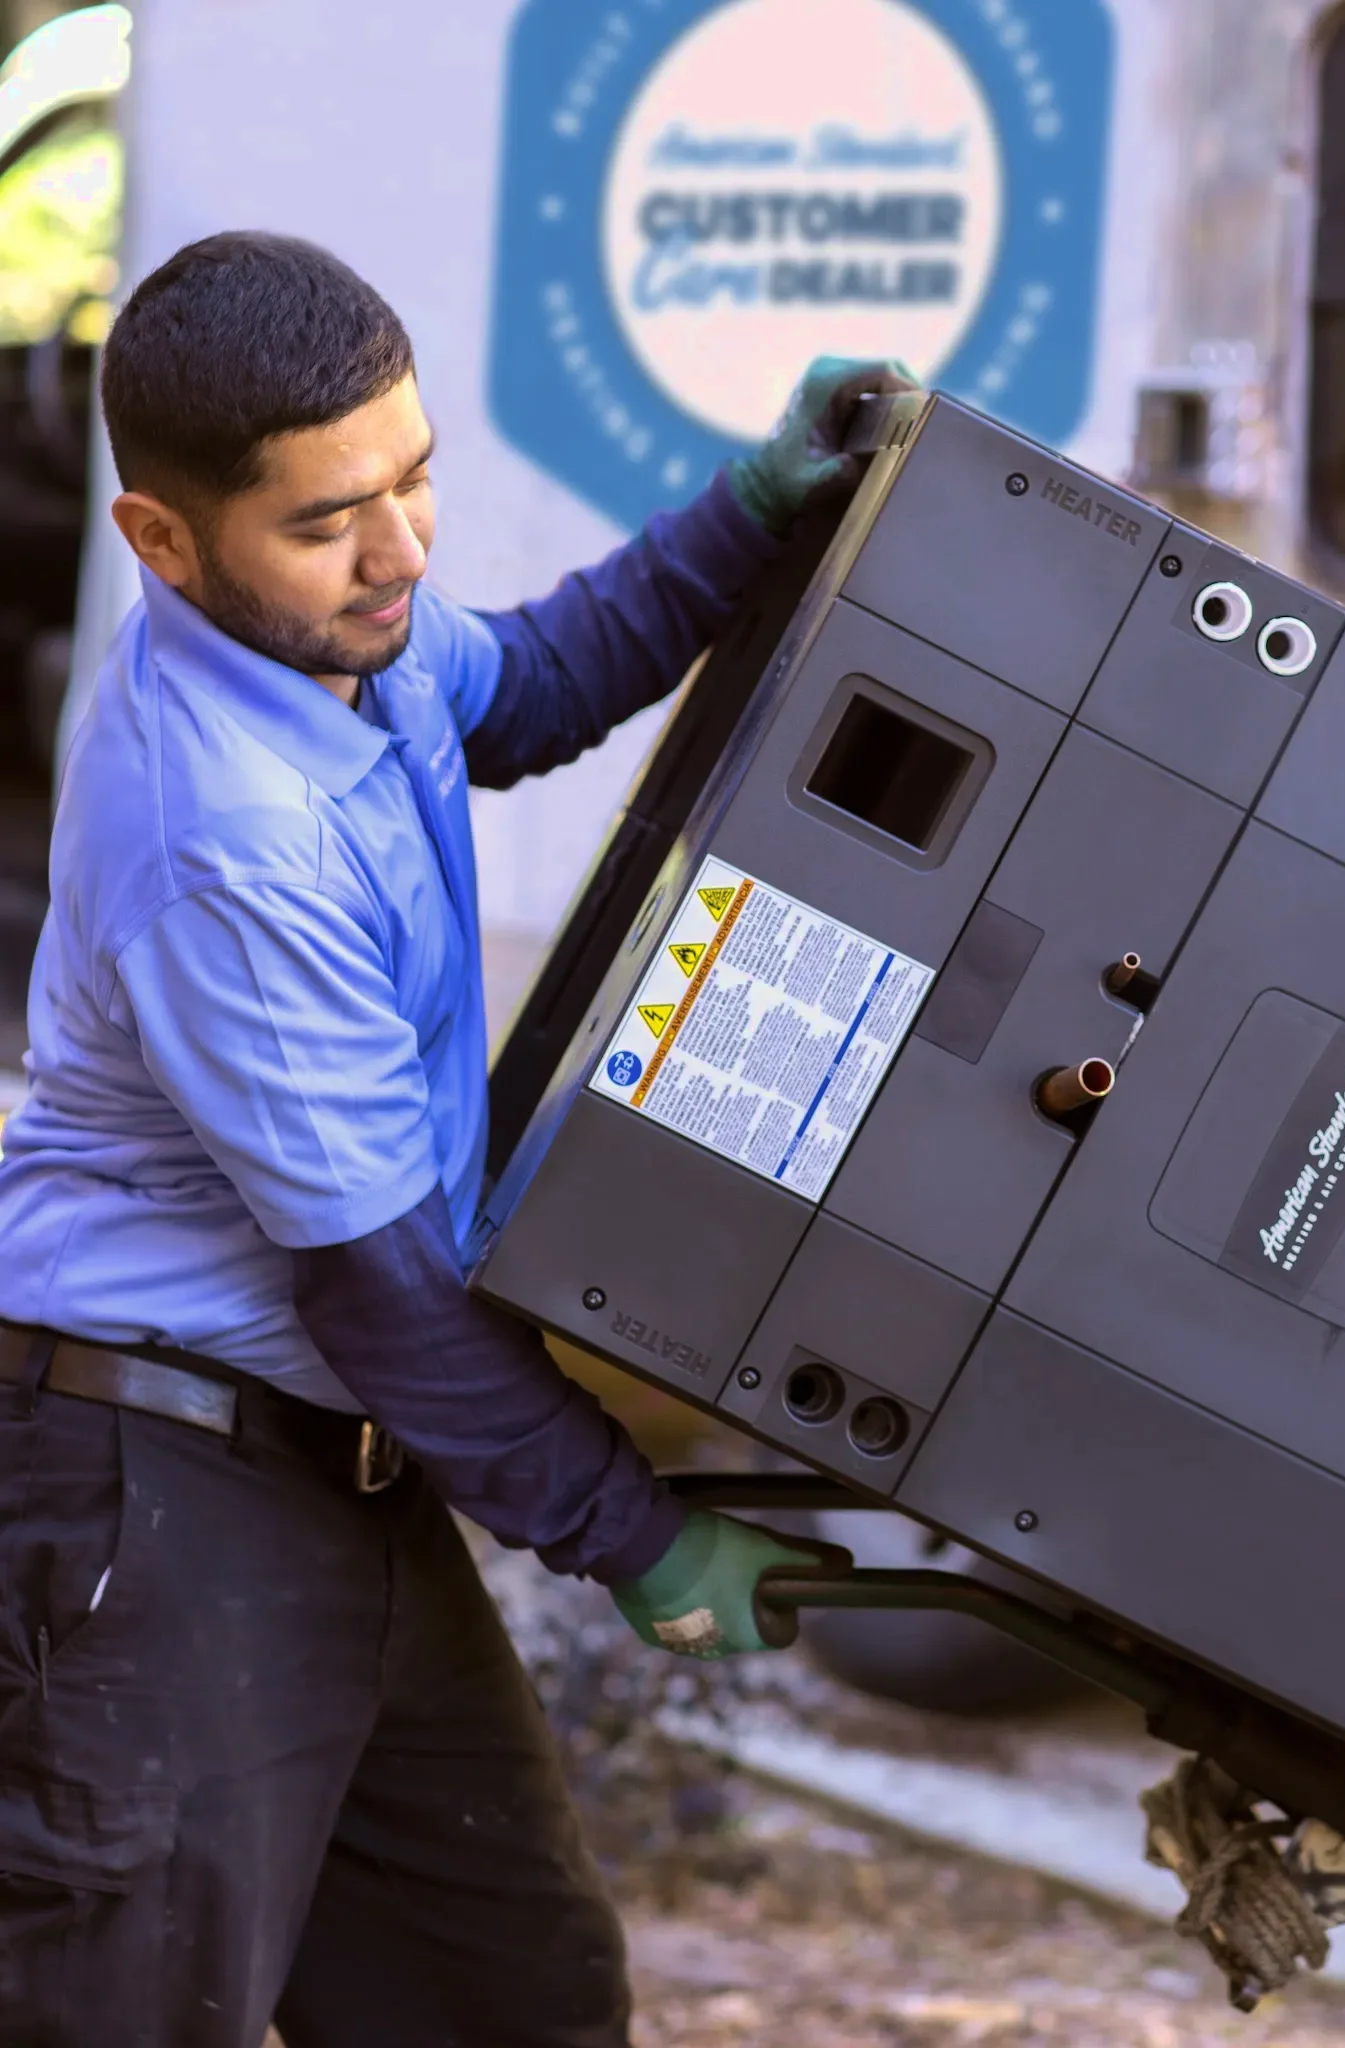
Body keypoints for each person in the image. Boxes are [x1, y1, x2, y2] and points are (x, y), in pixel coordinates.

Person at [0, 230, 909, 2046]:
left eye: (413, 481)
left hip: (339, 1471)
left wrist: (749, 511)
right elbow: (387, 1295)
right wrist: (636, 1538)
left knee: (507, 2000)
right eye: (331, 522)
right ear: (162, 541)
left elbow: (539, 682)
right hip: (157, 1502)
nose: (402, 552)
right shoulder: (220, 837)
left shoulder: (350, 647)